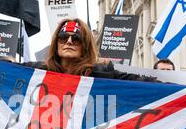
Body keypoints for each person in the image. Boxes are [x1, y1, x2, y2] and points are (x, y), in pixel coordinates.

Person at [23, 18, 157, 82]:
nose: (69, 42)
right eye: (63, 37)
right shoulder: (39, 71)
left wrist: (176, 91)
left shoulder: (103, 73)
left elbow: (142, 83)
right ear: (56, 43)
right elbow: (6, 71)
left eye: (76, 38)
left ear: (85, 45)